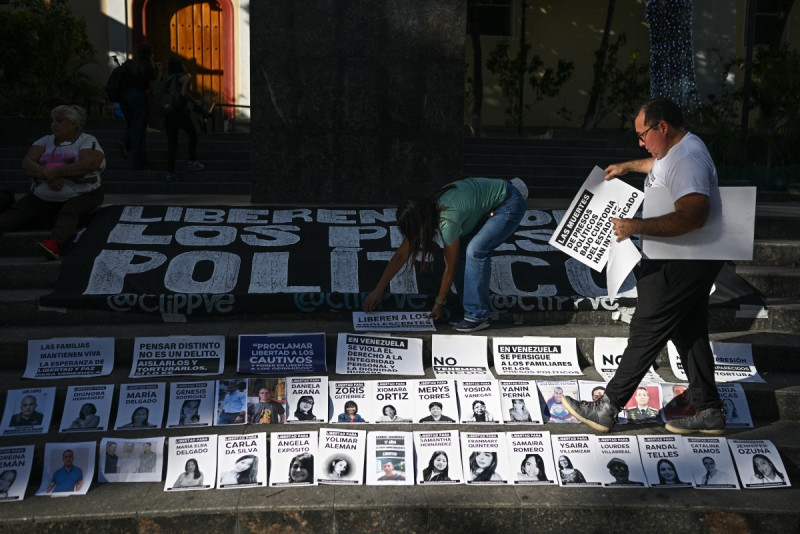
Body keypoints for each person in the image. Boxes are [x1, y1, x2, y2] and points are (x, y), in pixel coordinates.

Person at [563, 97, 726, 435]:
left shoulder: (689, 159)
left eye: (643, 135)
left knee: (646, 329)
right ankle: (709, 410)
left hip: (681, 261)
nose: (640, 142)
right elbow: (658, 167)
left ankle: (606, 408)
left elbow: (694, 215)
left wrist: (635, 227)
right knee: (690, 331)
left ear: (662, 127)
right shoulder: (674, 151)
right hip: (689, 258)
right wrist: (627, 166)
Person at [363, 177, 527, 333]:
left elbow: (451, 267)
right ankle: (468, 310)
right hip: (494, 201)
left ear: (422, 223)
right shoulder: (429, 207)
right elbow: (400, 255)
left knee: (475, 251)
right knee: (464, 252)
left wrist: (439, 303)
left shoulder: (447, 219)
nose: (416, 238)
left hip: (509, 202)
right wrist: (378, 290)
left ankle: (478, 315)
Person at [1, 105, 104, 260]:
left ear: (73, 123)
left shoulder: (87, 140)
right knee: (17, 213)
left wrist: (55, 173)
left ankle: (55, 244)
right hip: (43, 194)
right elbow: (28, 162)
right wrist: (46, 175)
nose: (53, 124)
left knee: (70, 212)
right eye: (52, 121)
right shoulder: (45, 141)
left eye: (59, 120)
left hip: (81, 193)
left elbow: (88, 164)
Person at [161, 56, 206, 182]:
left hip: (168, 112)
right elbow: (184, 94)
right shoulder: (185, 78)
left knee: (172, 143)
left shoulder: (166, 78)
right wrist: (195, 101)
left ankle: (170, 172)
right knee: (192, 134)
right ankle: (191, 161)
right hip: (180, 112)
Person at [120, 43, 158, 170]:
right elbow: (153, 85)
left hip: (125, 97)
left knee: (133, 124)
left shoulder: (128, 64)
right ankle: (139, 160)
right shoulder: (147, 66)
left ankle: (126, 142)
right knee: (140, 130)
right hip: (139, 97)